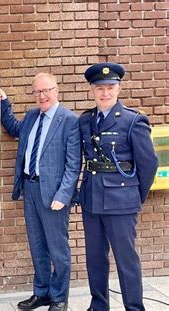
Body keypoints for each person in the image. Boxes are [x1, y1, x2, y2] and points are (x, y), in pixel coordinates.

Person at [0, 73, 81, 311]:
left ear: (56, 90)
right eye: (37, 92)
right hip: (30, 189)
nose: (42, 96)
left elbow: (74, 164)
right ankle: (41, 293)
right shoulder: (33, 116)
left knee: (58, 249)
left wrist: (63, 196)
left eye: (46, 90)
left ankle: (59, 298)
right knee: (37, 246)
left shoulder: (69, 120)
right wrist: (3, 105)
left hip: (53, 195)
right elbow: (13, 128)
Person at [78, 63, 158, 311]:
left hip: (122, 201)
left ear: (118, 88)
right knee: (95, 259)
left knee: (126, 261)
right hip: (92, 199)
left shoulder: (133, 121)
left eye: (110, 87)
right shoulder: (85, 120)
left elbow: (149, 164)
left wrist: (135, 196)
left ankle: (134, 307)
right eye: (100, 88)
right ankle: (98, 305)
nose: (105, 93)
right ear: (92, 90)